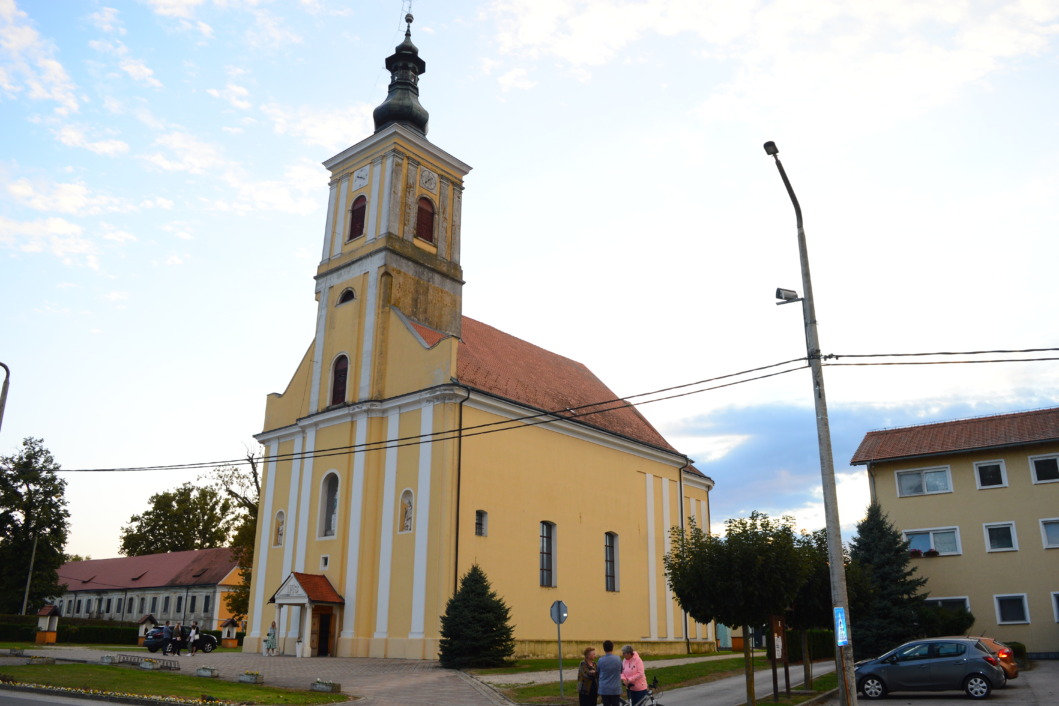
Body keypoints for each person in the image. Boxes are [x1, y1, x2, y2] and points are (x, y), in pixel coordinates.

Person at [597, 640, 623, 706]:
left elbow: (598, 672)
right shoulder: (618, 659)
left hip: (604, 688)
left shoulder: (601, 660)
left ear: (604, 648)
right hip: (615, 688)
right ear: (612, 647)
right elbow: (621, 671)